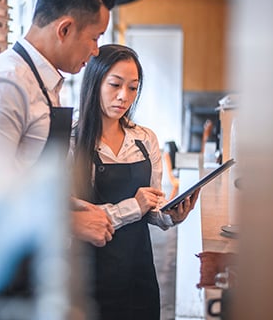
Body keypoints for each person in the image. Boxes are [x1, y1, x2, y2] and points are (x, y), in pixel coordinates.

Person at [0, 0, 117, 253]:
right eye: (94, 38)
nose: (96, 51)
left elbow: (19, 173)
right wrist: (68, 222)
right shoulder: (7, 83)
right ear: (65, 29)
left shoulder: (43, 82)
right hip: (3, 263)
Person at [72, 44, 200, 319]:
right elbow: (76, 218)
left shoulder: (144, 139)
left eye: (133, 88)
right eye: (115, 84)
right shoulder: (72, 142)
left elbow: (151, 208)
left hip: (138, 269)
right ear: (94, 83)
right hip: (88, 277)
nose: (124, 97)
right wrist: (134, 206)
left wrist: (170, 216)